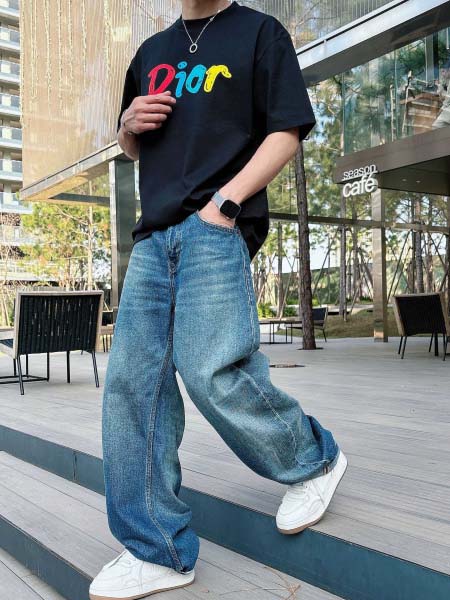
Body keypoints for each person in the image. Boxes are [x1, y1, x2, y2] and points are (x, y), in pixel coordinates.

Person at [90, 1, 347, 599]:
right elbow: (136, 147)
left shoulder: (260, 32)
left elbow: (286, 131)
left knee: (212, 370)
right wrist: (127, 128)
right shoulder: (150, 53)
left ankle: (314, 460)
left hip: (215, 225)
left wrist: (225, 205)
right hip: (153, 237)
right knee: (132, 387)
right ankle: (157, 549)